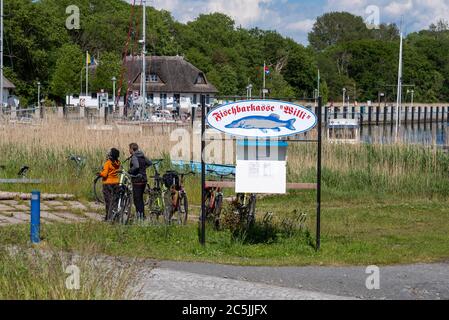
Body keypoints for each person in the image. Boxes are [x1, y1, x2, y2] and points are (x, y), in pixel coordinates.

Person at [128, 143, 152, 220]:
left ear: (132, 149)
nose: (129, 150)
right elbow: (149, 163)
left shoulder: (135, 156)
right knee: (140, 199)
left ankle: (139, 216)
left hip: (137, 180)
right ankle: (142, 216)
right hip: (144, 180)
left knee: (137, 199)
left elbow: (136, 166)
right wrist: (143, 168)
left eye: (129, 149)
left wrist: (130, 171)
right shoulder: (142, 155)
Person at [99, 148, 121, 221]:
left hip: (107, 183)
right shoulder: (118, 162)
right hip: (116, 183)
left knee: (108, 201)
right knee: (115, 200)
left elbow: (105, 174)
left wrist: (100, 173)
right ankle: (115, 216)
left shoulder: (107, 163)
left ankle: (108, 217)